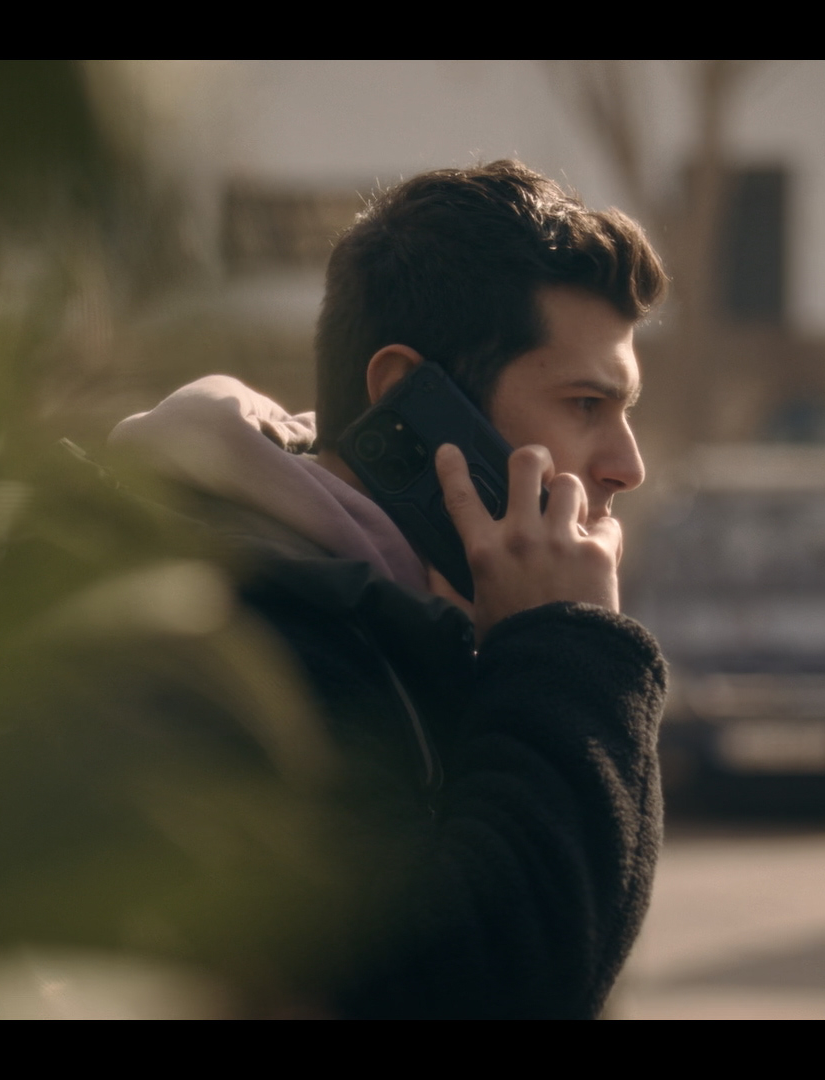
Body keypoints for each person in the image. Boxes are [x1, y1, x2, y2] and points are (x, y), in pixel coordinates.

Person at [110, 160, 669, 1018]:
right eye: (586, 404)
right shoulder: (238, 645)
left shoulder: (423, 612)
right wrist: (570, 647)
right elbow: (496, 986)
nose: (628, 466)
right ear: (412, 402)